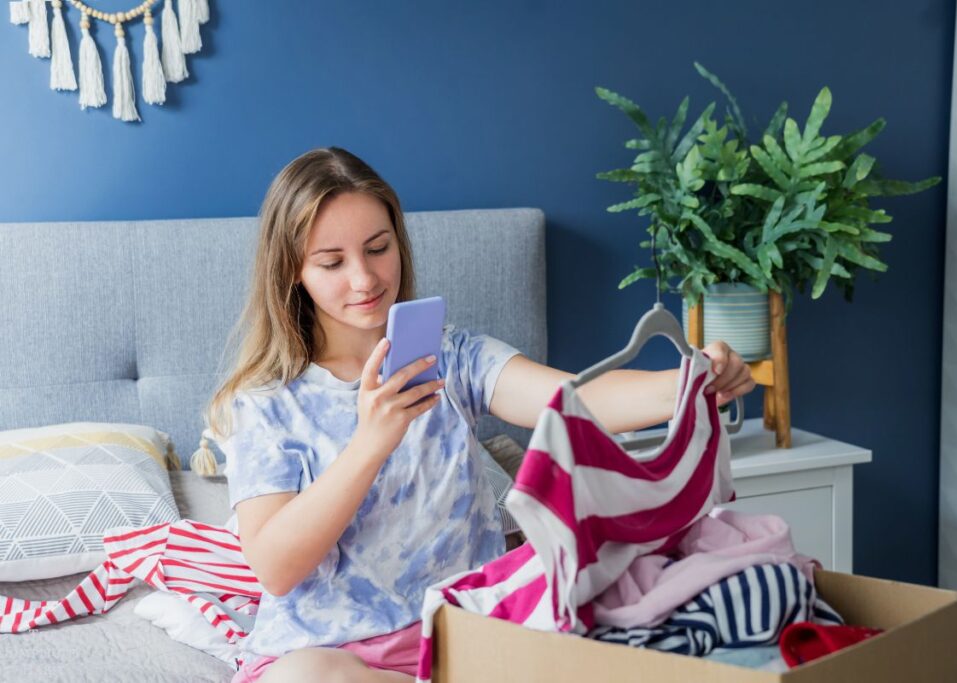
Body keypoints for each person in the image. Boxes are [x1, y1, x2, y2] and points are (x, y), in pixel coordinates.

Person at [205, 147, 755, 683]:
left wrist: (689, 382)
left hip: (464, 630)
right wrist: (371, 442)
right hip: (329, 654)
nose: (365, 279)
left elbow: (575, 398)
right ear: (292, 272)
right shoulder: (266, 404)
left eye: (378, 248)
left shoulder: (453, 359)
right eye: (332, 262)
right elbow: (275, 569)